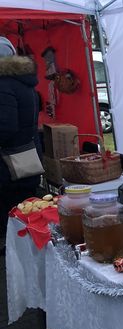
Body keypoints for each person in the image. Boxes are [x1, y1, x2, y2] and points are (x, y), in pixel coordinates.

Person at [0, 37, 41, 253]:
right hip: (26, 156)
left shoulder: (3, 85)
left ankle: (17, 249)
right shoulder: (24, 82)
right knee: (25, 206)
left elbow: (5, 128)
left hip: (9, 164)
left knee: (12, 208)